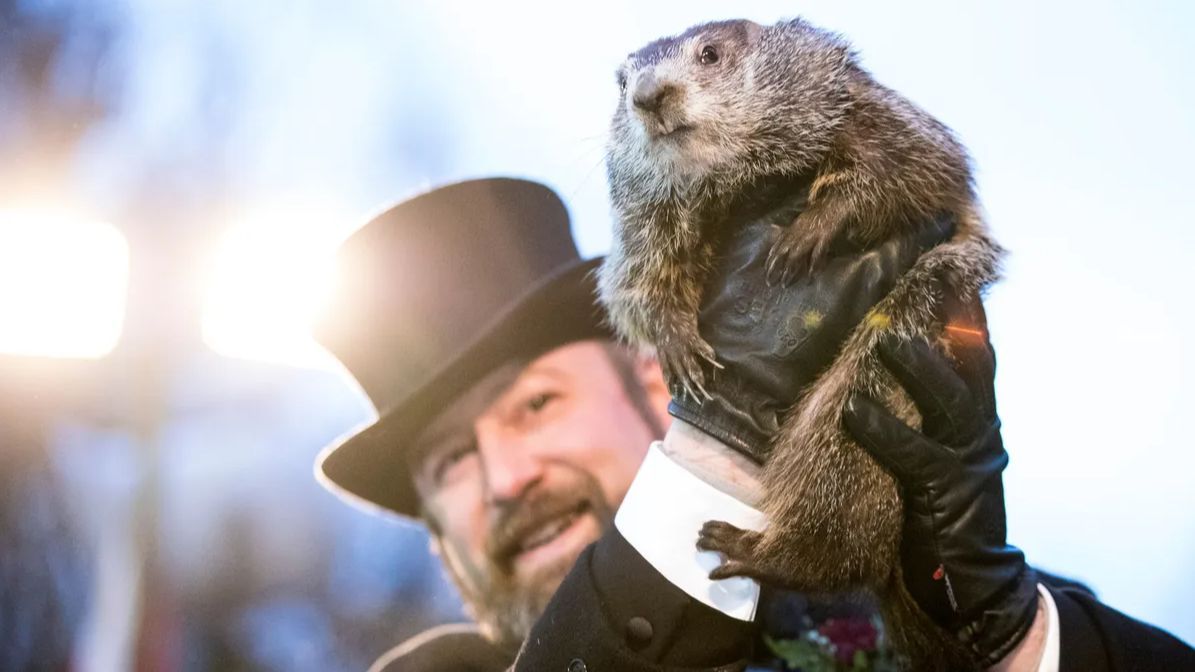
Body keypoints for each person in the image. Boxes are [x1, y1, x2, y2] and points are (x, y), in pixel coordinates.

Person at [312, 177, 1194, 671]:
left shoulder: (914, 607)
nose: (506, 479)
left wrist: (1008, 643)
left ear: (658, 389)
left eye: (536, 405)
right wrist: (719, 455)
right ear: (436, 542)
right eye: (451, 463)